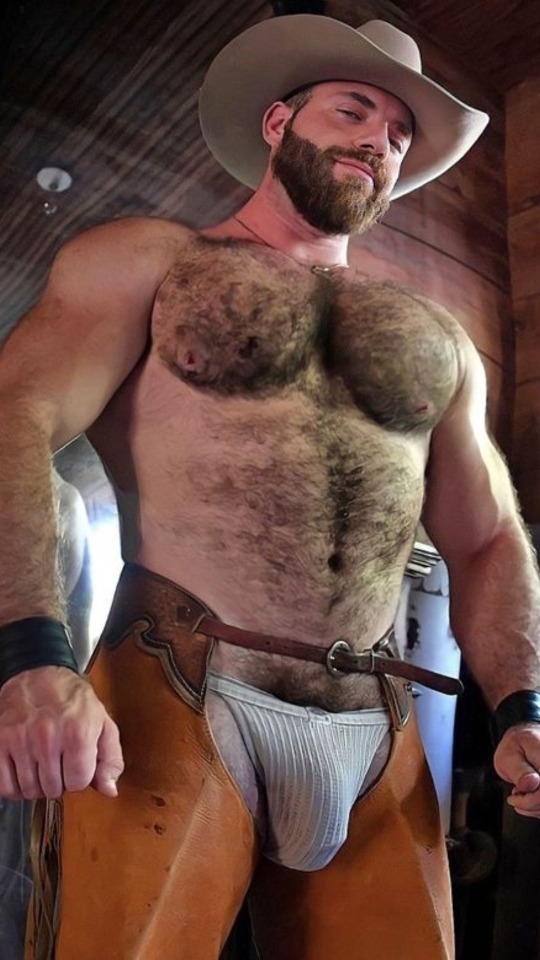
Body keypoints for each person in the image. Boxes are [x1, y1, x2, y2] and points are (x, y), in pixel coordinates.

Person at [0, 14, 539, 960]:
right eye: (353, 111)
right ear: (279, 122)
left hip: (377, 726)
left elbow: (489, 534)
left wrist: (522, 706)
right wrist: (29, 654)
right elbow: (17, 415)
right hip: (176, 689)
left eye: (399, 134)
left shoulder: (438, 339)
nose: (379, 142)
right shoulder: (153, 261)